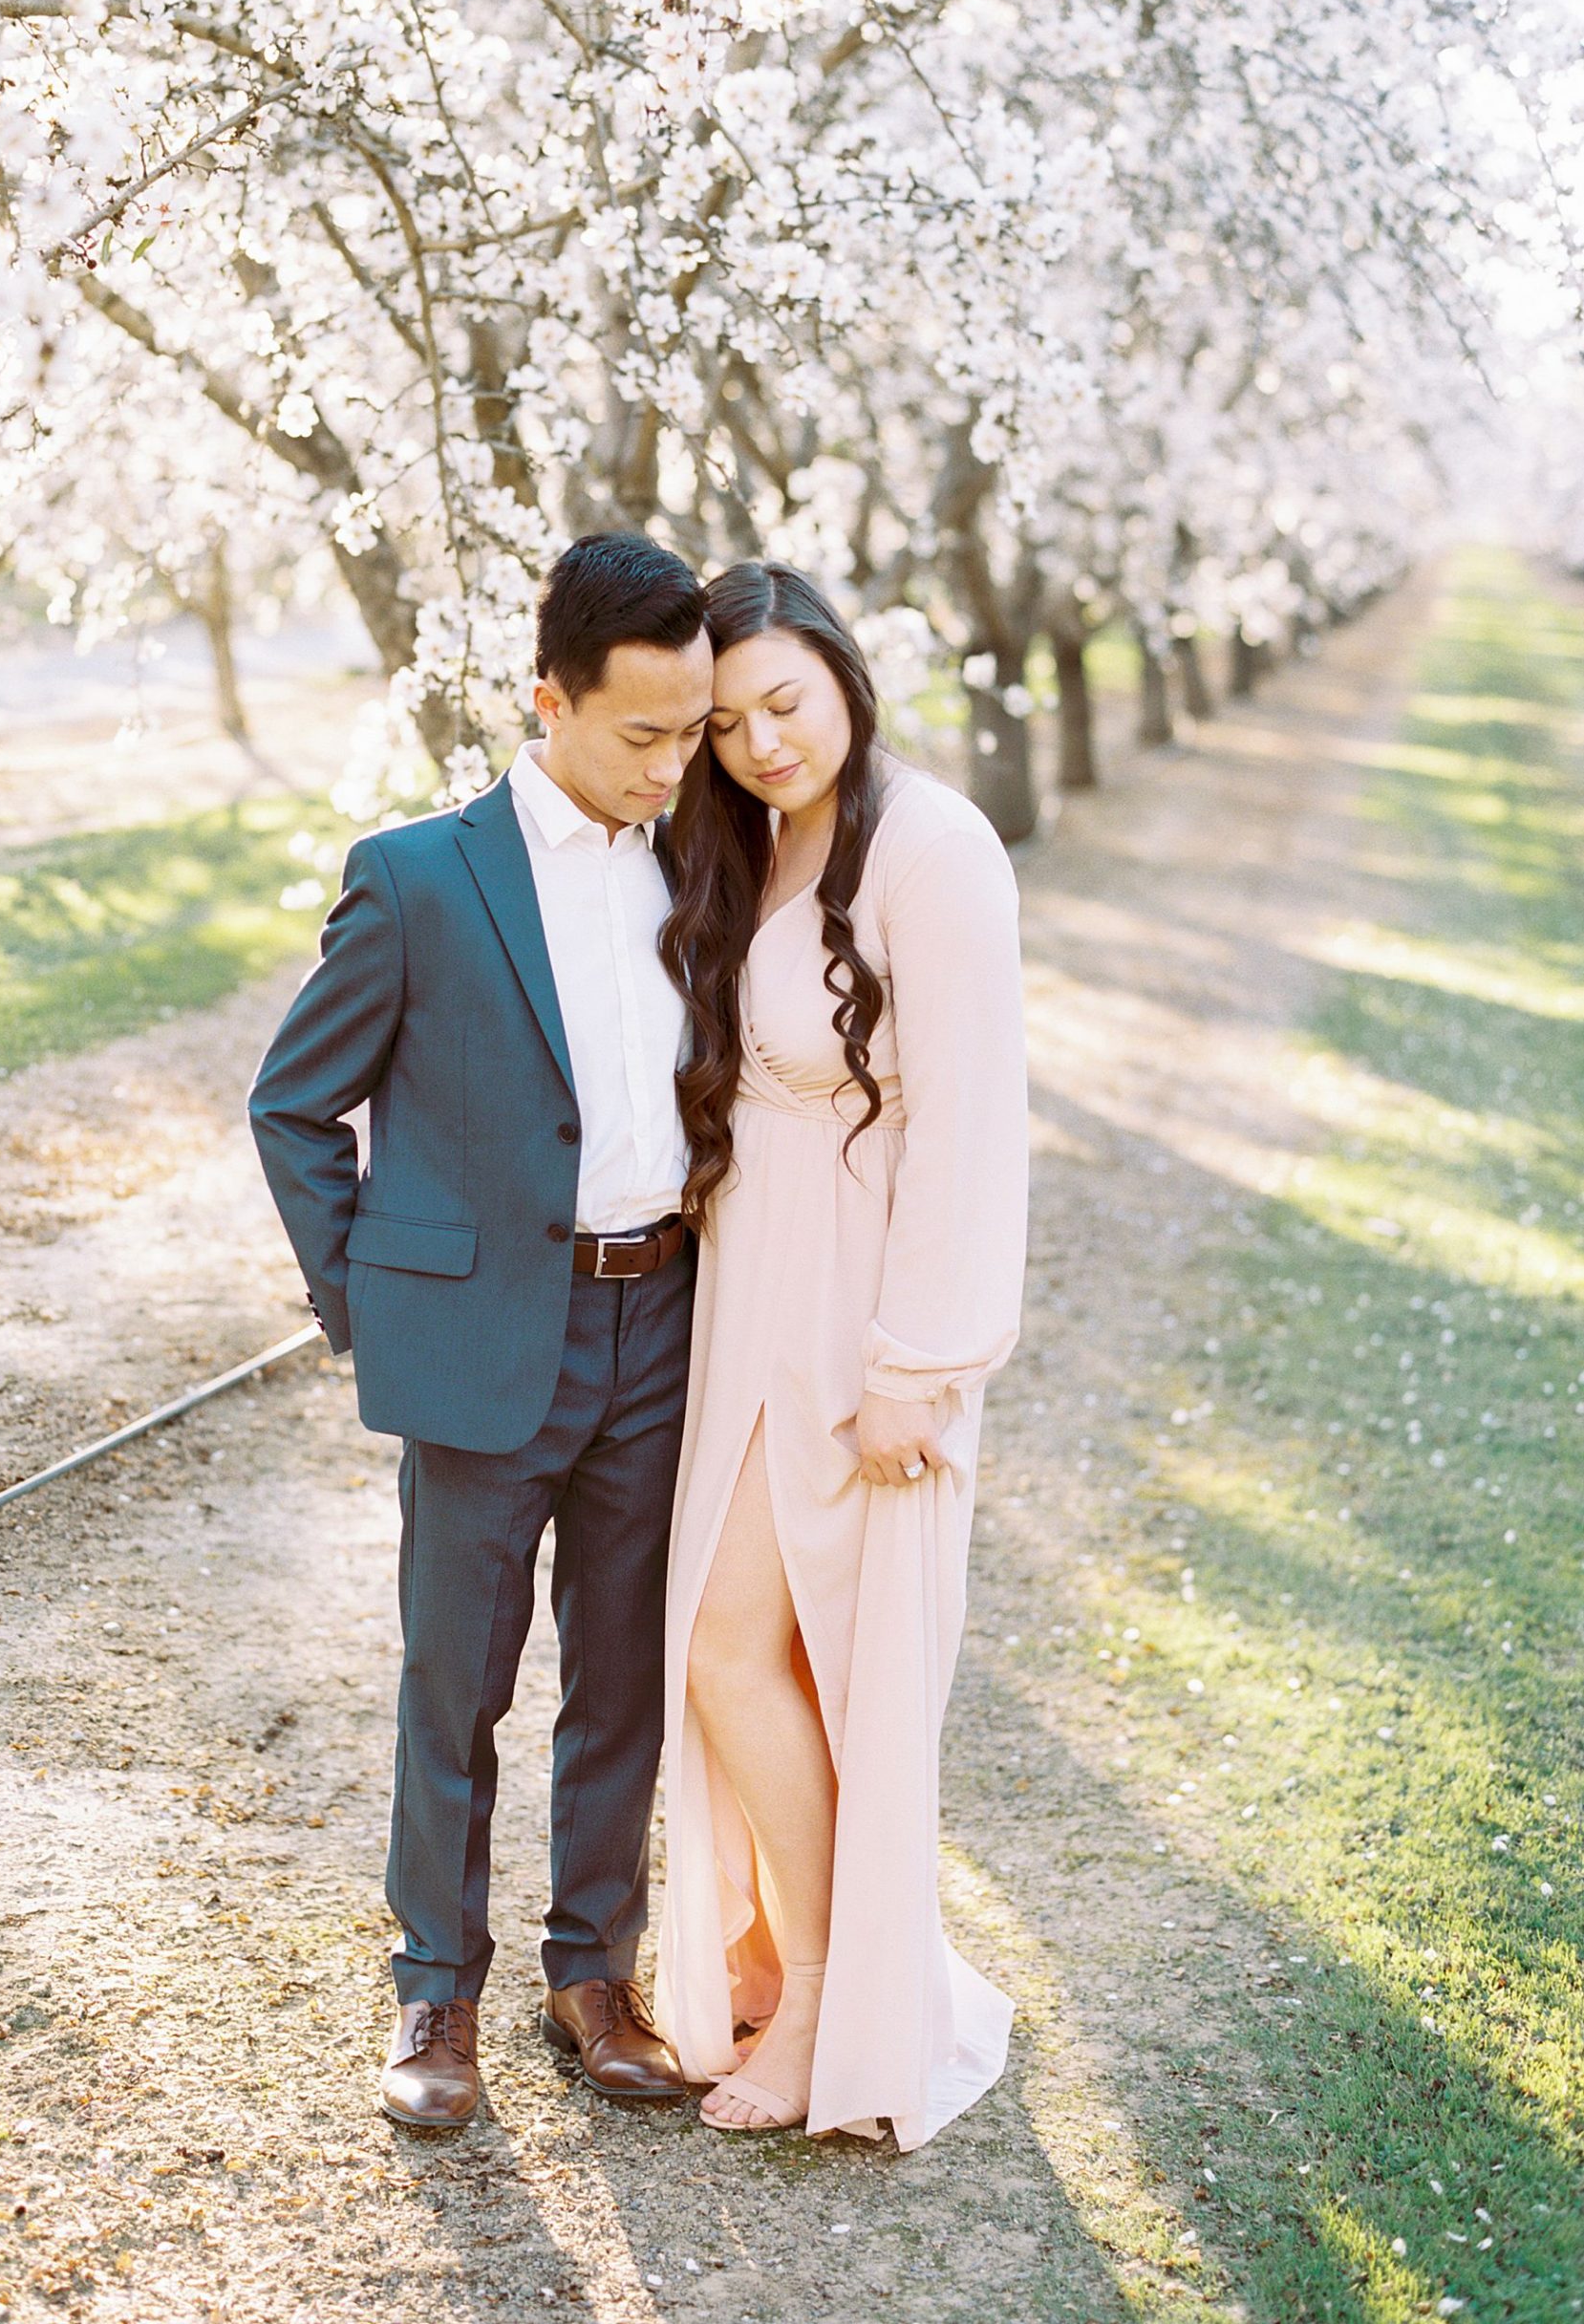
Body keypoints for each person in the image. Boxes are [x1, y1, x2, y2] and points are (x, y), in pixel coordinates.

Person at [248, 532, 713, 2131]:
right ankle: (433, 1994)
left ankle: (594, 1973)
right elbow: (294, 1104)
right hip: (479, 1342)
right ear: (546, 702)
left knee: (624, 1674)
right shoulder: (417, 879)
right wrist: (363, 1296)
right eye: (640, 734)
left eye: (692, 733)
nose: (669, 768)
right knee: (458, 1681)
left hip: (663, 1327)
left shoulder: (703, 863)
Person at [653, 560, 1029, 2148]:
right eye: (726, 723)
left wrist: (919, 1365)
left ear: (843, 675)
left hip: (866, 1319)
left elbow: (965, 1125)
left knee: (750, 1647)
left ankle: (824, 2001)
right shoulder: (750, 835)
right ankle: (779, 1952)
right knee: (750, 1647)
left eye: (782, 702)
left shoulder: (932, 849)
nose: (759, 743)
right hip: (751, 1298)